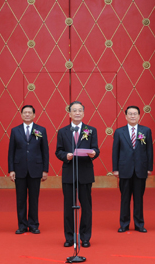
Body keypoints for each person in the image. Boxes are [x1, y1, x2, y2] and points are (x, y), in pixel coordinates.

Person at [55, 101, 99, 248]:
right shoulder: (62, 131)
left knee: (86, 206)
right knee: (68, 206)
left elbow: (96, 149)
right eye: (74, 110)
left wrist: (93, 153)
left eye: (80, 110)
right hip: (69, 173)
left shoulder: (91, 130)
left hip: (85, 172)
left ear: (84, 113)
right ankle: (69, 237)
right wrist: (65, 156)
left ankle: (85, 237)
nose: (77, 113)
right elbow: (58, 151)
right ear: (69, 114)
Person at [8, 105, 49, 234]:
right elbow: (11, 151)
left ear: (34, 115)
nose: (27, 114)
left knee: (34, 198)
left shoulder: (41, 130)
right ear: (21, 115)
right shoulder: (15, 131)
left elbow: (45, 151)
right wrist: (11, 169)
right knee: (20, 199)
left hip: (35, 169)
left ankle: (33, 224)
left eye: (29, 112)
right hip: (19, 168)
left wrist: (45, 170)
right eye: (24, 112)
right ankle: (21, 225)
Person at [112, 106, 153, 233]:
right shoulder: (119, 132)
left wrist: (149, 167)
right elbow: (115, 151)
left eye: (135, 114)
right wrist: (115, 169)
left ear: (139, 116)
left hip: (140, 169)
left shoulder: (145, 131)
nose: (132, 116)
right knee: (125, 198)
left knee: (139, 198)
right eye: (130, 114)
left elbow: (149, 150)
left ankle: (139, 224)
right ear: (125, 116)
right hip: (124, 169)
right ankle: (124, 224)